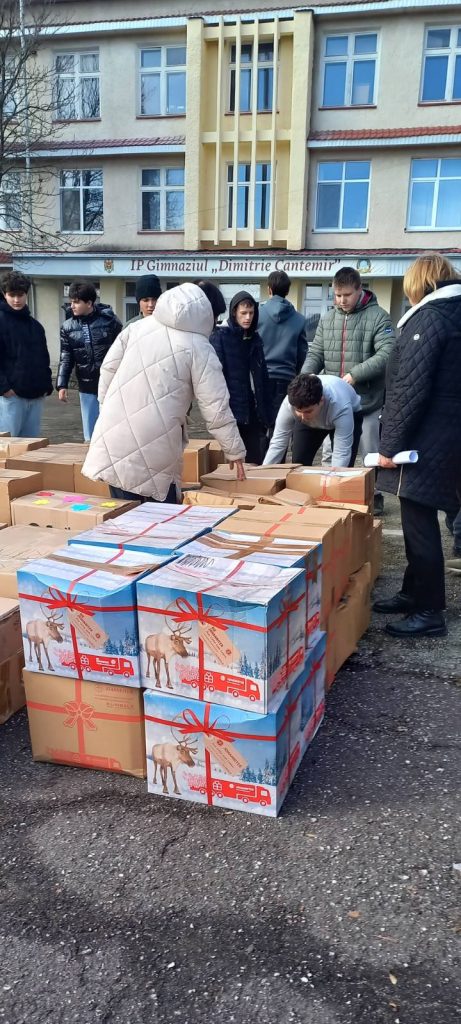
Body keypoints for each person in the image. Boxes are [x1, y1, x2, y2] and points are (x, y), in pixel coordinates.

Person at [82, 282, 246, 502]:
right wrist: (234, 450)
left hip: (113, 438)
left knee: (124, 522)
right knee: (158, 528)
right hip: (154, 448)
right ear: (208, 313)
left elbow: (108, 371)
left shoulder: (137, 328)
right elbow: (216, 406)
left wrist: (109, 410)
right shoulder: (199, 347)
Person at [374, 252, 461, 638]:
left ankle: (429, 611)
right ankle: (412, 593)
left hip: (426, 439)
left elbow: (409, 390)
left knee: (418, 522)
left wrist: (389, 447)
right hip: (447, 434)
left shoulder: (428, 319)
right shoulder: (453, 315)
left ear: (418, 285)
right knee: (417, 520)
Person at [301, 266, 395, 514]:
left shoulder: (379, 317)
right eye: (337, 295)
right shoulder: (328, 318)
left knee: (369, 450)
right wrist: (306, 378)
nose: (341, 301)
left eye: (347, 295)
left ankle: (372, 495)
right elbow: (316, 352)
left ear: (359, 289)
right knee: (332, 450)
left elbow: (387, 354)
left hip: (368, 400)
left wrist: (356, 374)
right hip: (336, 401)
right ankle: (331, 489)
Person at [210, 291, 273, 464]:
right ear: (234, 312)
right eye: (243, 313)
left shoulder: (255, 338)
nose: (248, 318)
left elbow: (263, 377)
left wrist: (267, 414)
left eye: (251, 313)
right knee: (230, 463)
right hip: (231, 410)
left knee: (254, 460)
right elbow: (216, 379)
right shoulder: (221, 336)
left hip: (253, 410)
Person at [56, 280, 122, 441]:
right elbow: (66, 357)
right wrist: (61, 385)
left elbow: (123, 350)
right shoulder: (67, 327)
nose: (72, 305)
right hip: (86, 386)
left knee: (114, 431)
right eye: (71, 301)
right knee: (91, 435)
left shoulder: (110, 321)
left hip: (112, 384)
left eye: (76, 302)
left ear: (89, 303)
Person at [264, 373, 362, 467]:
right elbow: (278, 442)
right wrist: (263, 474)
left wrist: (335, 479)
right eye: (298, 411)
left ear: (321, 401)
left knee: (346, 467)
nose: (302, 416)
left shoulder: (341, 406)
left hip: (347, 414)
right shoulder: (290, 404)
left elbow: (342, 452)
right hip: (313, 420)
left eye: (307, 411)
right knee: (299, 462)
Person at [0, 271, 52, 437]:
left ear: (26, 294)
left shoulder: (35, 326)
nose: (17, 300)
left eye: (20, 295)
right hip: (11, 397)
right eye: (12, 295)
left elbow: (43, 357)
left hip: (36, 395)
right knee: (6, 450)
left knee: (30, 451)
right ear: (4, 294)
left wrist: (46, 385)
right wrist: (4, 388)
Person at [258, 270, 308, 424]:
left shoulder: (256, 314)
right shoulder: (299, 319)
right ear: (287, 291)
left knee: (260, 423)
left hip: (261, 376)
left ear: (269, 289)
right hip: (286, 378)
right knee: (281, 427)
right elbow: (302, 353)